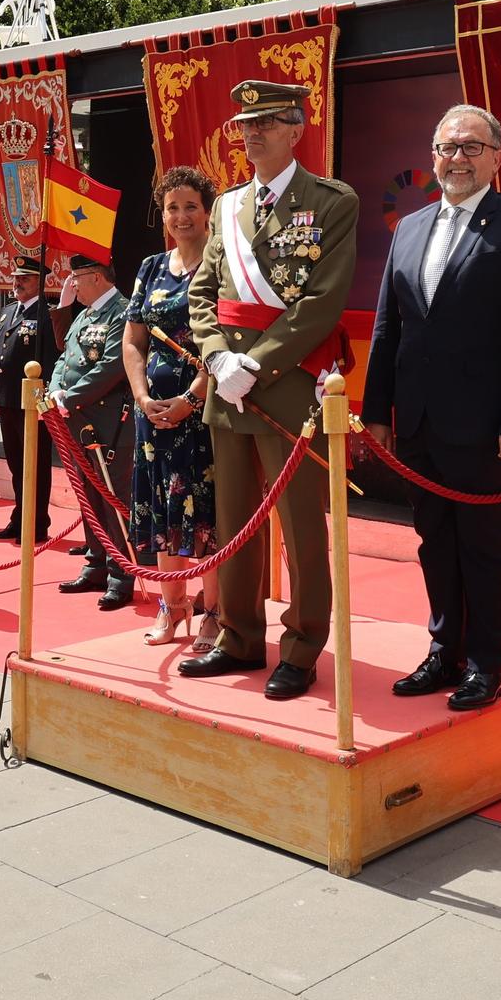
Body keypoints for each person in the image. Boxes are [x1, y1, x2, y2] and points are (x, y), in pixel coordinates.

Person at [364, 103, 501, 712]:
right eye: (448, 148)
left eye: (471, 147)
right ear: (433, 158)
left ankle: (487, 663)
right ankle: (444, 650)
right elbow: (387, 328)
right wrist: (377, 412)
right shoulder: (410, 227)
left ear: (497, 158)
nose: (457, 158)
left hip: (484, 426)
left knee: (485, 543)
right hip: (420, 421)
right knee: (435, 541)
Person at [183, 78, 359, 701]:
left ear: (296, 128)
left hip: (288, 387)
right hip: (226, 390)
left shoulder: (333, 203)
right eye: (244, 125)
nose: (251, 134)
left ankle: (304, 644)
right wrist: (214, 358)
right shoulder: (228, 208)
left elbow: (321, 304)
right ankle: (237, 637)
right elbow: (201, 295)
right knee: (234, 521)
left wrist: (253, 365)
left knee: (302, 526)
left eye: (266, 123)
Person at [124, 167, 221, 646]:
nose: (181, 216)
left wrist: (189, 399)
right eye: (172, 208)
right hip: (153, 417)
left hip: (203, 413)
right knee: (163, 509)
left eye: (190, 207)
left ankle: (213, 612)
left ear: (207, 211)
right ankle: (171, 605)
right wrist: (143, 397)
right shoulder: (150, 268)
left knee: (206, 511)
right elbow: (134, 340)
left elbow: (226, 341)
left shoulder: (221, 266)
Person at [52, 252, 135, 612]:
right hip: (75, 417)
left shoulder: (122, 312)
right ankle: (96, 562)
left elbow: (111, 366)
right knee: (87, 494)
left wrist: (70, 397)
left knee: (110, 496)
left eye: (77, 279)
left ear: (97, 277)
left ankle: (120, 573)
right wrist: (56, 389)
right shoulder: (84, 315)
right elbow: (63, 359)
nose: (73, 285)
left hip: (107, 421)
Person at [0, 256, 65, 544]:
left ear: (40, 283)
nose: (17, 282)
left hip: (32, 404)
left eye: (26, 278)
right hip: (7, 399)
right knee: (16, 464)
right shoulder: (9, 311)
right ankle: (19, 518)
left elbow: (50, 360)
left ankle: (36, 523)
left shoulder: (47, 315)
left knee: (36, 464)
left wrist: (45, 403)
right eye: (16, 277)